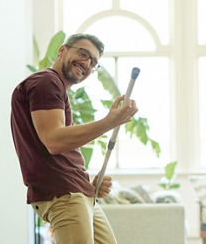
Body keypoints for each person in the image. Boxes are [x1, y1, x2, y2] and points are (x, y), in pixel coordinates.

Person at [10, 33, 138, 244]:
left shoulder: (56, 88)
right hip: (65, 194)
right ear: (62, 50)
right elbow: (54, 141)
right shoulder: (46, 82)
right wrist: (109, 122)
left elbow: (57, 149)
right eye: (83, 53)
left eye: (93, 62)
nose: (87, 63)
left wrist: (88, 183)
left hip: (77, 191)